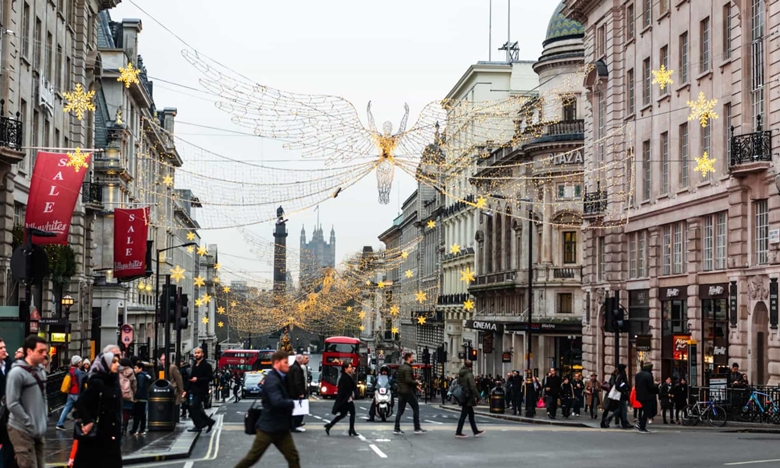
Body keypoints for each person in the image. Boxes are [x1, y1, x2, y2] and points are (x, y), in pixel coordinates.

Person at [233, 350, 299, 468]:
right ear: (277, 363)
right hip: (268, 428)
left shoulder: (281, 377)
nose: (287, 365)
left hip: (281, 428)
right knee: (252, 457)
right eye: (285, 362)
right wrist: (292, 403)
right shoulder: (272, 380)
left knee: (293, 457)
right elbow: (276, 402)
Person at [72, 351, 123, 468]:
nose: (117, 365)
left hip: (111, 435)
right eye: (113, 362)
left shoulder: (114, 382)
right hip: (97, 437)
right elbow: (81, 403)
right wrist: (89, 421)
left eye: (118, 362)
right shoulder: (97, 382)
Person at [6, 335, 48, 468]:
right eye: (40, 351)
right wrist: (28, 422)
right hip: (21, 429)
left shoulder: (41, 371)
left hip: (38, 429)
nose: (44, 355)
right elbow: (12, 403)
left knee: (40, 464)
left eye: (45, 351)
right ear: (29, 351)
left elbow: (44, 397)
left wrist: (43, 419)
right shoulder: (17, 373)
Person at [393, 352, 425, 435]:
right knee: (416, 408)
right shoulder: (408, 368)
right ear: (408, 358)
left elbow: (401, 380)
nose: (413, 358)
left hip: (401, 391)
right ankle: (417, 427)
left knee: (400, 410)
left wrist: (416, 386)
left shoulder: (401, 367)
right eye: (412, 357)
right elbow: (408, 380)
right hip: (407, 391)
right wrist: (416, 382)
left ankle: (396, 428)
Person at [325, 361, 358, 436]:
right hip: (346, 399)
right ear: (345, 368)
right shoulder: (344, 377)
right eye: (349, 367)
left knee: (343, 414)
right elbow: (343, 389)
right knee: (351, 413)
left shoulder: (347, 376)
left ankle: (330, 425)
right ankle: (351, 429)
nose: (351, 368)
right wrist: (348, 396)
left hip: (347, 399)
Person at [187, 348, 215, 433]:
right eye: (195, 353)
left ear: (202, 354)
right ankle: (209, 422)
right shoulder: (195, 364)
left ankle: (199, 425)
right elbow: (191, 377)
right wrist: (186, 389)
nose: (196, 354)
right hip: (194, 390)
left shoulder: (206, 365)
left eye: (198, 353)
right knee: (195, 408)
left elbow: (210, 378)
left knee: (194, 407)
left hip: (202, 390)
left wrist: (198, 379)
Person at [455, 360, 485, 438]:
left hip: (463, 395)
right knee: (464, 415)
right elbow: (473, 387)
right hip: (468, 397)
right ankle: (458, 432)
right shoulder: (469, 374)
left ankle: (475, 431)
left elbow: (459, 383)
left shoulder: (461, 374)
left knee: (471, 415)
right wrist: (479, 397)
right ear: (471, 366)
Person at [56, 355, 86, 430]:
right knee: (83, 408)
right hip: (76, 393)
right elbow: (81, 382)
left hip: (70, 393)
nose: (82, 363)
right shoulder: (77, 371)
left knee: (66, 408)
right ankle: (83, 424)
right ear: (78, 363)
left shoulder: (70, 370)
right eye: (81, 361)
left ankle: (60, 423)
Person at [0, 337, 16, 468]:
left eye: (4, 347)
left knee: (8, 445)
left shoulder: (8, 364)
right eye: (0, 348)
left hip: (7, 413)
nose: (4, 350)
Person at [634, 363, 659, 433]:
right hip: (647, 396)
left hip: (639, 395)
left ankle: (641, 425)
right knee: (647, 411)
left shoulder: (638, 374)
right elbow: (650, 387)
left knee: (645, 411)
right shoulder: (649, 375)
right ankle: (641, 425)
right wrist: (656, 386)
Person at [286, 354, 308, 432]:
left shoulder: (291, 367)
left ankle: (291, 425)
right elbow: (297, 382)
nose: (303, 361)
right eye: (302, 359)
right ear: (300, 360)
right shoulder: (297, 369)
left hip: (290, 392)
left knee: (293, 410)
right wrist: (300, 392)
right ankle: (295, 425)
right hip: (296, 393)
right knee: (299, 410)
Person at [160, 354, 184, 421]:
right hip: (164, 389)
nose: (162, 361)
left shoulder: (172, 367)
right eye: (161, 360)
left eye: (164, 360)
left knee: (174, 404)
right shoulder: (161, 367)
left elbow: (178, 378)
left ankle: (175, 418)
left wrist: (181, 389)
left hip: (173, 389)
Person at [130, 360, 151, 435]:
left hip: (140, 398)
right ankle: (142, 429)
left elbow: (140, 387)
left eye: (136, 368)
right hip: (144, 397)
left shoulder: (140, 376)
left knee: (137, 414)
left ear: (140, 368)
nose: (134, 369)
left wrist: (136, 397)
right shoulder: (145, 375)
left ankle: (134, 429)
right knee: (142, 414)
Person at [118, 358, 137, 436]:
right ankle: (124, 427)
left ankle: (119, 426)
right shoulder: (131, 371)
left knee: (119, 411)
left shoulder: (118, 370)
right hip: (128, 394)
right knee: (126, 411)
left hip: (119, 394)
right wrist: (134, 393)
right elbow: (134, 384)